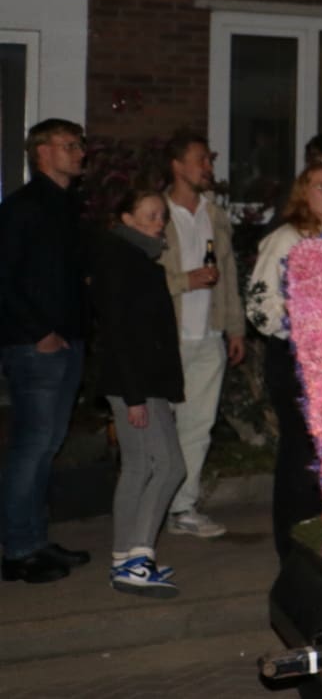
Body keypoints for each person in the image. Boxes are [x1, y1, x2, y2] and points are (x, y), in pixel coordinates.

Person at [0, 118, 94, 583]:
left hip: (68, 342)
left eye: (80, 145)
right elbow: (3, 279)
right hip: (35, 346)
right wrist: (39, 332)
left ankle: (35, 540)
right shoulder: (23, 208)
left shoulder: (67, 207)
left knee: (47, 446)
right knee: (32, 446)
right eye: (69, 145)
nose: (80, 152)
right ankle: (18, 549)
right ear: (42, 153)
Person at [93, 187, 187, 598]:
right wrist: (135, 396)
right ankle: (138, 558)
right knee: (169, 466)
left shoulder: (131, 259)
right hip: (137, 384)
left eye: (162, 215)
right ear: (127, 219)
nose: (159, 222)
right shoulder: (124, 262)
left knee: (136, 467)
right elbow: (119, 332)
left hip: (136, 382)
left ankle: (123, 558)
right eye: (150, 215)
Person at [249, 164, 322, 558]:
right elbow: (258, 305)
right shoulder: (285, 239)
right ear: (303, 192)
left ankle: (319, 537)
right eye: (320, 185)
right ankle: (290, 543)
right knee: (298, 451)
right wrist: (298, 322)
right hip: (292, 356)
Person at [159, 130, 245, 540]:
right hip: (166, 337)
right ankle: (151, 506)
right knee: (160, 428)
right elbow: (136, 279)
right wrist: (184, 281)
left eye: (209, 160)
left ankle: (183, 507)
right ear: (177, 166)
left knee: (197, 426)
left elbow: (228, 275)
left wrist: (235, 328)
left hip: (208, 336)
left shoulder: (214, 214)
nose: (208, 167)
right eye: (201, 160)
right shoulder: (156, 213)